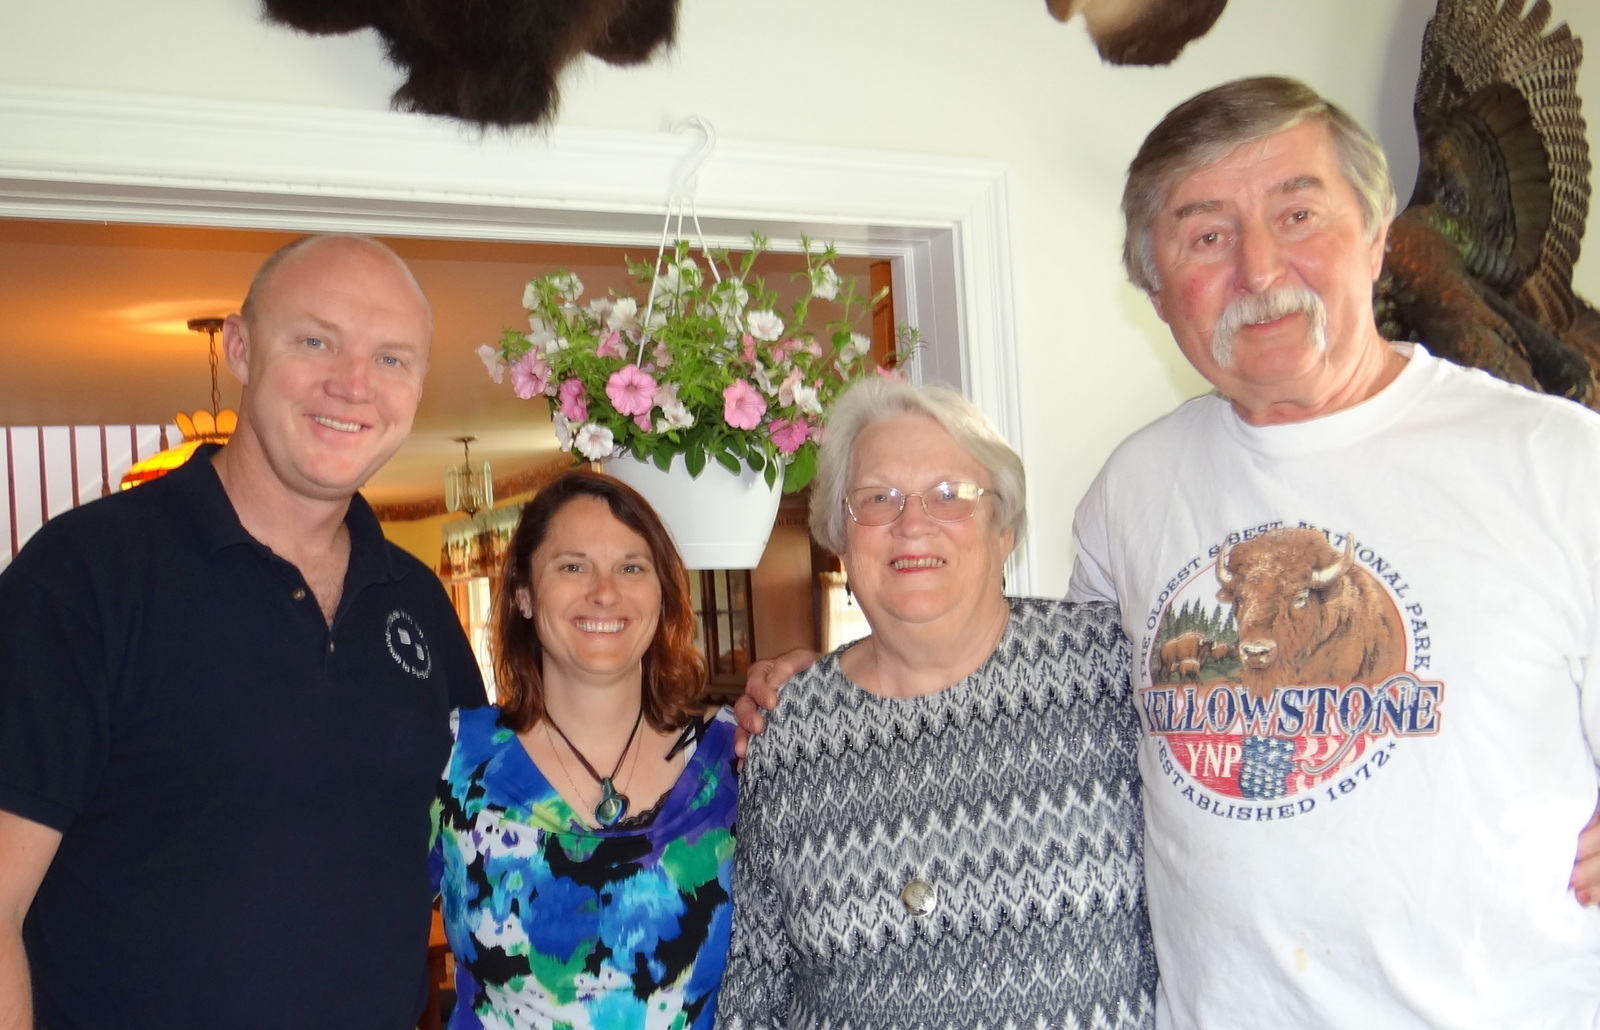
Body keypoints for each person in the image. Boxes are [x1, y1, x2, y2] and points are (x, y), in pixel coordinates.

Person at [1065, 76, 1600, 1025]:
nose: (1259, 268)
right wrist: (832, 685)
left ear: (1377, 236)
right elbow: (1054, 724)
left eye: (1298, 214)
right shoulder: (1132, 490)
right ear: (1154, 289)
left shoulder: (1559, 461)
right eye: (1206, 236)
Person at [0, 234, 486, 1030]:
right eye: (316, 341)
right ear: (240, 348)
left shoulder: (419, 602)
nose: (353, 384)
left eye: (391, 358)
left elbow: (512, 821)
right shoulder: (85, 574)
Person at [716, 378, 1155, 1029]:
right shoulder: (791, 728)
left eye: (950, 494)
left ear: (1004, 531)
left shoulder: (1113, 669)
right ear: (841, 539)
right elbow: (754, 989)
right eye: (877, 498)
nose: (912, 524)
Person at [431, 470, 738, 1029]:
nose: (604, 590)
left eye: (632, 567)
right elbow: (359, 939)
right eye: (573, 566)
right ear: (524, 593)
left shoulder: (739, 758)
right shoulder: (451, 756)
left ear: (663, 596)